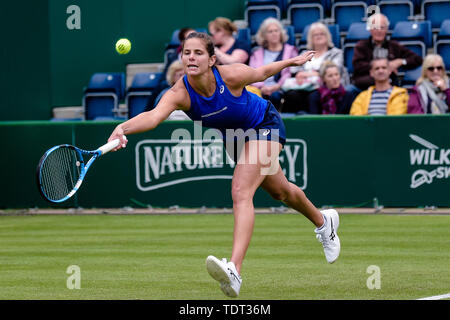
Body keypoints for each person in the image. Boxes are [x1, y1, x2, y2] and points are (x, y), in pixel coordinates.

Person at [107, 32, 341, 298]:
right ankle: (325, 223)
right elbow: (152, 117)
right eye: (186, 53)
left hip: (265, 124)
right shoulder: (180, 92)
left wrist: (292, 62)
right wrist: (122, 127)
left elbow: (263, 71)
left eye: (198, 53)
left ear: (211, 59)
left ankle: (235, 271)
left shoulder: (230, 75)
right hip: (235, 139)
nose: (191, 57)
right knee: (281, 192)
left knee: (241, 191)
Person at [281, 22, 348, 113]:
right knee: (291, 95)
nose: (318, 36)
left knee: (314, 96)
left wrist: (306, 74)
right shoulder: (305, 53)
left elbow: (334, 69)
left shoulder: (336, 53)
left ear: (327, 36)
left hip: (323, 87)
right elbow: (294, 70)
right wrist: (300, 74)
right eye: (315, 35)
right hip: (303, 87)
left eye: (321, 34)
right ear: (310, 38)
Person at [352, 13, 423, 91]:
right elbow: (358, 66)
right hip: (364, 84)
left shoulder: (394, 46)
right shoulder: (361, 46)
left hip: (390, 85)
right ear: (370, 29)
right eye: (376, 28)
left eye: (382, 27)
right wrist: (385, 66)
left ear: (387, 29)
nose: (379, 31)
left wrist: (401, 61)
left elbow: (417, 59)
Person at [248, 17, 299, 111]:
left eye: (276, 30)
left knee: (278, 96)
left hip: (281, 89)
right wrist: (262, 87)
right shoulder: (256, 54)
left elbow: (290, 73)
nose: (274, 33)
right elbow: (252, 73)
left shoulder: (291, 51)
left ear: (281, 33)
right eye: (270, 31)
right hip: (261, 89)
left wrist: (277, 86)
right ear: (264, 36)